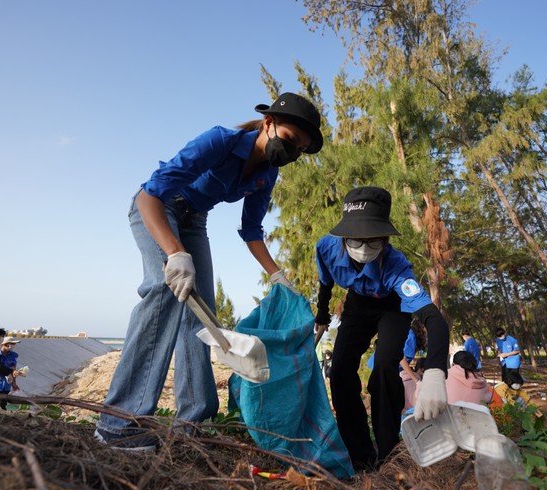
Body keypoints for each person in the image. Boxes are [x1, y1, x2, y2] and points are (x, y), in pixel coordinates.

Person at [95, 92, 324, 451]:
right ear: (268, 123)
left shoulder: (268, 173)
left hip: (194, 220)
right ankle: (121, 422)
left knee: (203, 317)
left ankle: (194, 420)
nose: (291, 153)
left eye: (299, 150)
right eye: (290, 141)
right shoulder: (220, 140)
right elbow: (149, 195)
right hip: (159, 208)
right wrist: (174, 253)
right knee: (164, 291)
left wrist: (278, 275)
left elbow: (251, 230)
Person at [314, 186, 450, 470]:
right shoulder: (326, 247)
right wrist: (322, 315)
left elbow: (433, 319)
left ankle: (388, 452)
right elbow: (325, 283)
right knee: (339, 370)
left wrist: (436, 371)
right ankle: (360, 454)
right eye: (356, 240)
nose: (364, 248)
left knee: (386, 366)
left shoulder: (396, 266)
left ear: (386, 238)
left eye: (373, 240)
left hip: (391, 306)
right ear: (342, 236)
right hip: (356, 306)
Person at [399, 318, 426, 413]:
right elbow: (402, 360)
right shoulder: (411, 337)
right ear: (422, 327)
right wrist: (417, 381)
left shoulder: (409, 334)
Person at [0, 337, 22, 409]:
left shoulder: (13, 355)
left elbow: (13, 369)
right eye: (12, 344)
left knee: (3, 403)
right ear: (5, 344)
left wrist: (14, 383)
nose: (13, 346)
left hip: (6, 382)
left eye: (14, 344)